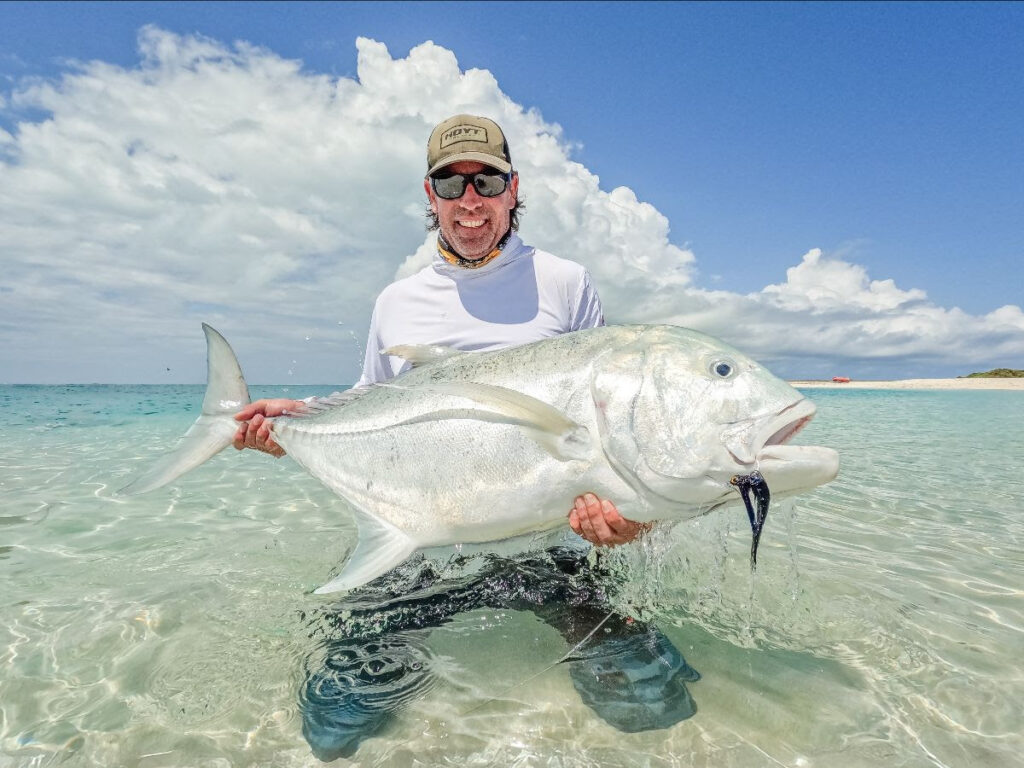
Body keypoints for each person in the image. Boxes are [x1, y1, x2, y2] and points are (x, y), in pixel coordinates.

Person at [233, 115, 698, 760]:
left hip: (550, 550)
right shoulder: (396, 301)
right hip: (426, 549)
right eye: (450, 184)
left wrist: (628, 518)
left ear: (514, 189)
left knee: (654, 703)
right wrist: (297, 422)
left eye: (487, 180)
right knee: (334, 726)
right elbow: (374, 409)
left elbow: (603, 421)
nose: (470, 201)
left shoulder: (565, 283)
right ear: (430, 196)